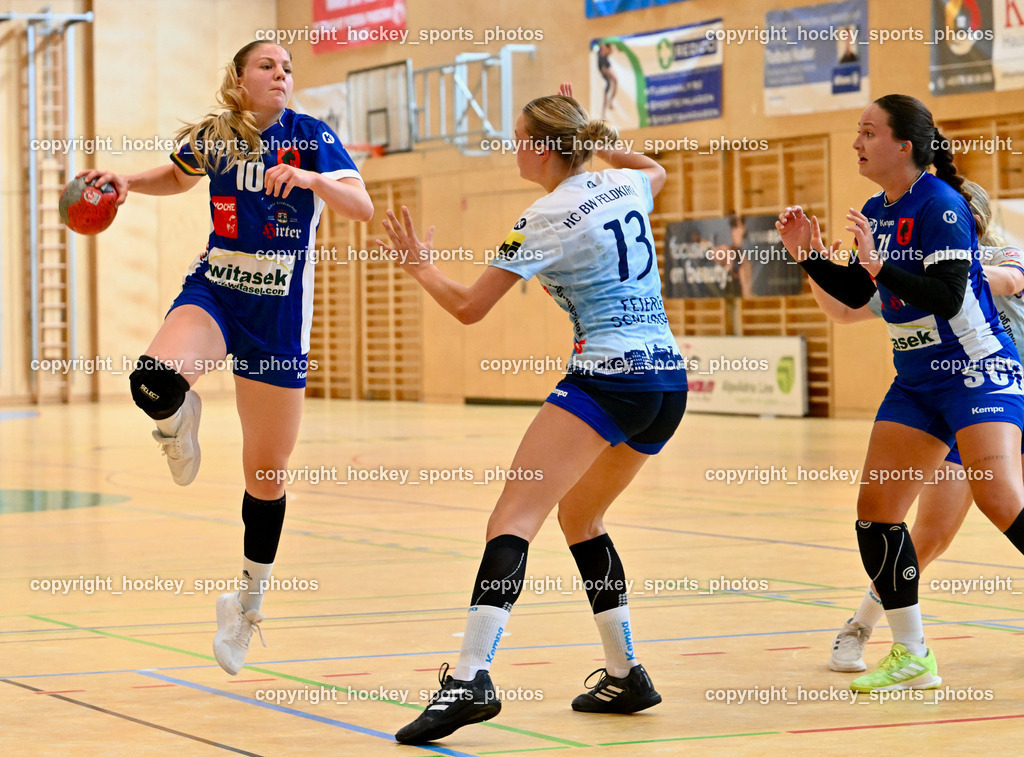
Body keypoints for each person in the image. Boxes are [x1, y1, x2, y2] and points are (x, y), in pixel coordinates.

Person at [378, 83, 687, 744]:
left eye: (521, 138)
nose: (514, 148)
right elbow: (656, 170)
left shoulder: (546, 215)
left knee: (511, 518)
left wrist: (420, 266)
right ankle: (626, 670)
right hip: (667, 380)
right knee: (580, 516)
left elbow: (468, 306)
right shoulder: (624, 186)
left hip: (610, 377)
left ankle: (469, 678)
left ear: (545, 149)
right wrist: (597, 139)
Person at [79, 40, 373, 675]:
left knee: (266, 476)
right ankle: (176, 422)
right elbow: (179, 175)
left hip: (278, 317)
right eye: (267, 65)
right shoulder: (218, 135)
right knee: (154, 380)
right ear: (239, 79)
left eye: (288, 68)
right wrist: (128, 180)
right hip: (217, 291)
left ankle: (245, 604)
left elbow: (361, 206)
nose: (281, 75)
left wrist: (313, 179)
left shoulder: (311, 137)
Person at [776, 94, 1024, 693]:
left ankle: (876, 635)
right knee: (876, 515)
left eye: (867, 132)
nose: (856, 143)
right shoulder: (874, 207)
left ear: (904, 145)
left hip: (974, 371)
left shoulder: (941, 206)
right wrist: (809, 256)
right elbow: (859, 291)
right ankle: (911, 651)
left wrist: (878, 265)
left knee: (999, 501)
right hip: (915, 380)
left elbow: (943, 295)